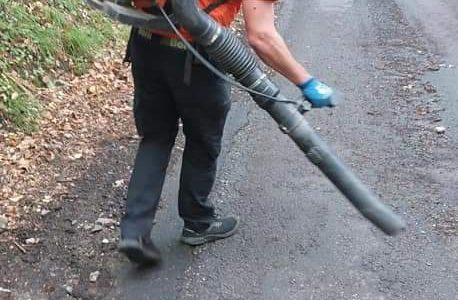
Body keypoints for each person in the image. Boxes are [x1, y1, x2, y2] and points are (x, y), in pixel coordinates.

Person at [118, 0, 334, 265]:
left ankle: (134, 232)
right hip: (197, 53)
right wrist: (306, 81)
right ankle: (198, 222)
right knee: (202, 140)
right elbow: (261, 36)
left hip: (146, 44)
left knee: (155, 138)